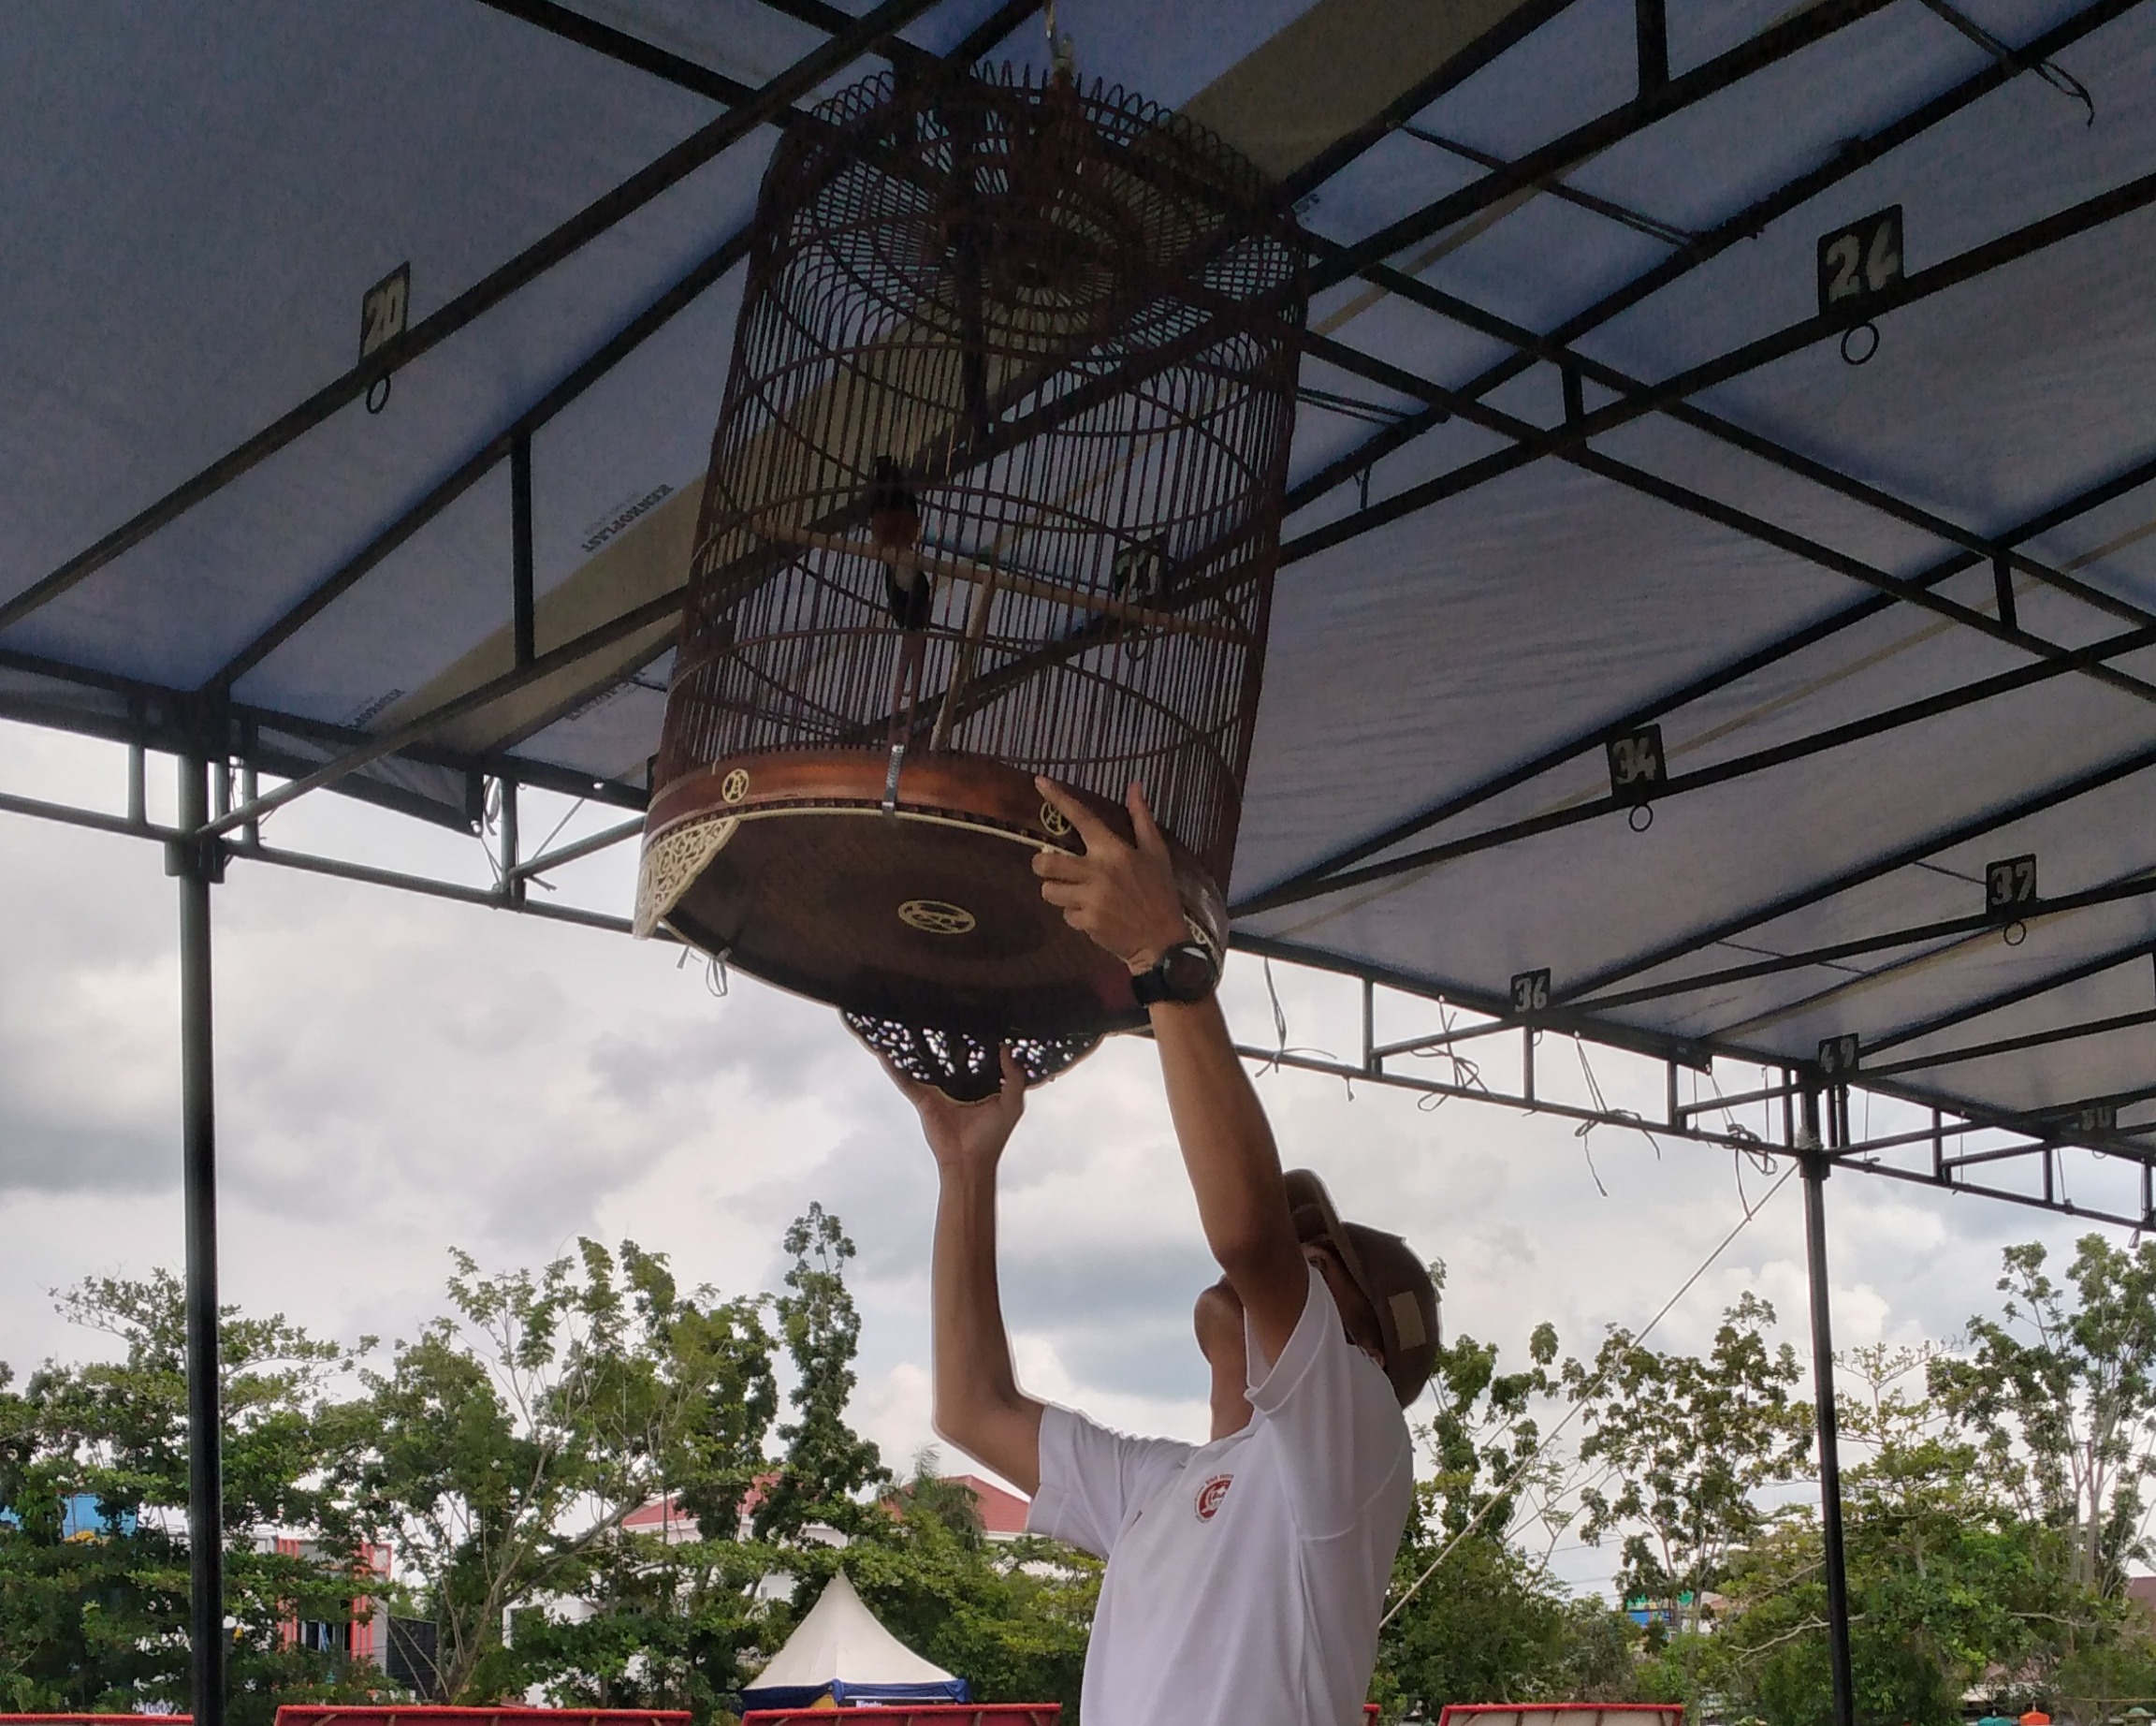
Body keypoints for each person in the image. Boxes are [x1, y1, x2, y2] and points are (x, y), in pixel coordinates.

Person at [881, 775, 1441, 1726]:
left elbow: (1251, 1235)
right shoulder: (1161, 1486)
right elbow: (973, 1408)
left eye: (1320, 1255)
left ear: (1368, 1350)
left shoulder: (1354, 1445)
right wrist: (966, 1170)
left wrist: (1161, 956)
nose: (1284, 1256)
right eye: (1298, 1240)